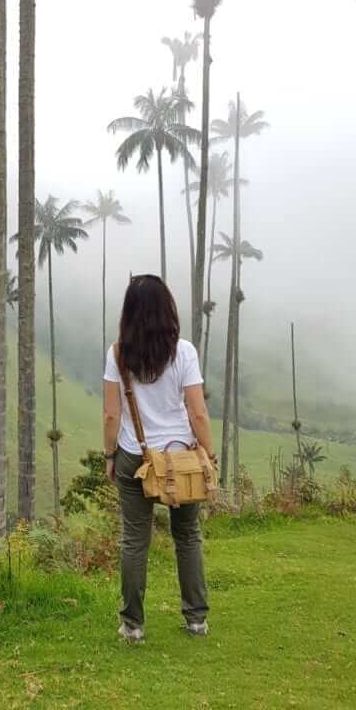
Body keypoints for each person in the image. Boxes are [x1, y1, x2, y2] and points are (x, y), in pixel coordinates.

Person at [103, 274, 217, 643]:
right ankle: (196, 619)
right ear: (167, 308)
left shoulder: (118, 354)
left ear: (129, 312)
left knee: (135, 541)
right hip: (181, 458)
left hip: (134, 457)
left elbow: (111, 414)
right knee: (188, 536)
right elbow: (198, 412)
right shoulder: (184, 352)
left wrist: (109, 456)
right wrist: (208, 454)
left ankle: (133, 625)